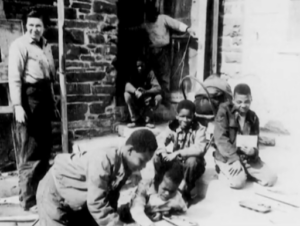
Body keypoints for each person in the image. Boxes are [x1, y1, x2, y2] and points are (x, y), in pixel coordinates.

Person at [36, 129, 158, 226]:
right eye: (142, 161)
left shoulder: (126, 166)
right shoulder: (103, 160)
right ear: (130, 150)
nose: (143, 166)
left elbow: (111, 198)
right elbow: (96, 203)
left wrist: (125, 217)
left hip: (77, 198)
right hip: (53, 194)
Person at [8, 9, 58, 211]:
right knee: (30, 151)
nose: (34, 29)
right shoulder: (19, 46)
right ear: (25, 26)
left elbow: (50, 79)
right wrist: (18, 106)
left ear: (44, 27)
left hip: (44, 98)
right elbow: (14, 78)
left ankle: (42, 195)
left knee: (45, 149)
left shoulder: (45, 46)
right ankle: (28, 201)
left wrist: (53, 103)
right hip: (30, 100)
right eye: (30, 25)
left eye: (38, 25)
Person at [213, 83, 278, 189]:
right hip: (228, 157)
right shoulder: (224, 111)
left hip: (246, 158)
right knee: (238, 183)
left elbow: (255, 142)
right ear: (233, 100)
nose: (243, 105)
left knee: (271, 178)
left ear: (251, 99)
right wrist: (234, 159)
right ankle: (222, 170)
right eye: (239, 102)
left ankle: (244, 172)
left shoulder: (253, 117)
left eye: (247, 102)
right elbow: (220, 139)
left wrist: (253, 152)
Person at [153, 100, 207, 204]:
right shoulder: (173, 126)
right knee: (157, 156)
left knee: (192, 161)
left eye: (189, 117)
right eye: (182, 116)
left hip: (193, 165)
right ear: (177, 116)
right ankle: (158, 185)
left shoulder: (199, 129)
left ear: (193, 117)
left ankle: (186, 192)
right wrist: (163, 152)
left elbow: (199, 149)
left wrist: (177, 153)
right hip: (177, 163)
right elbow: (160, 140)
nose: (185, 120)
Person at [144, 4, 197, 104]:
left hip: (163, 52)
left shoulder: (163, 18)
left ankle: (165, 102)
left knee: (164, 78)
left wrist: (187, 29)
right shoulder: (146, 24)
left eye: (153, 12)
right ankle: (154, 102)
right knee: (152, 79)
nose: (151, 15)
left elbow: (175, 24)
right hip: (151, 54)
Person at [119, 161, 187, 226]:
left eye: (172, 191)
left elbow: (183, 211)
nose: (167, 193)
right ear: (157, 182)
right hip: (131, 211)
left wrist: (163, 214)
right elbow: (136, 210)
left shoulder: (177, 196)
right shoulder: (145, 187)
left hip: (153, 214)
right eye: (164, 189)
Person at [124, 60, 162, 128]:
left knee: (159, 97)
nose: (140, 68)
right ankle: (134, 120)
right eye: (138, 66)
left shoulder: (150, 73)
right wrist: (136, 91)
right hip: (136, 99)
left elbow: (158, 88)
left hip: (147, 99)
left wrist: (146, 92)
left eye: (141, 66)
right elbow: (127, 86)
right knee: (126, 95)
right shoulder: (132, 73)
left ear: (145, 65)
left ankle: (148, 120)